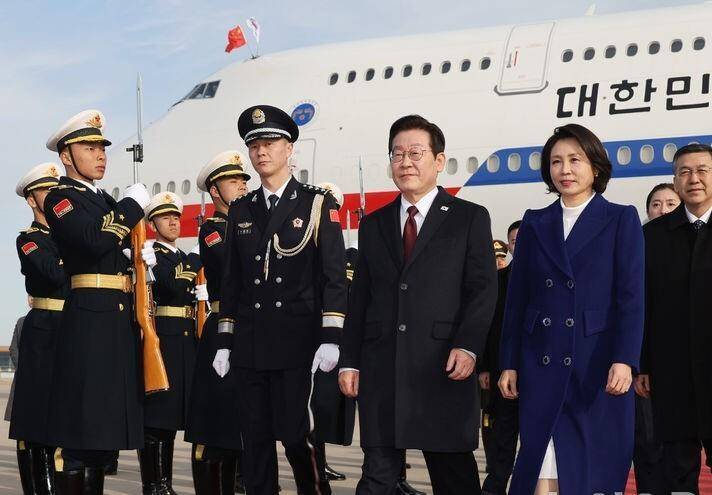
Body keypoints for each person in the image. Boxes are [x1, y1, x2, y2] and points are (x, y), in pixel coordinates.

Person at [339, 114, 498, 495]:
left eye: (415, 153)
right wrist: (350, 360)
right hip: (383, 370)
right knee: (377, 477)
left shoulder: (468, 218)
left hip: (442, 367)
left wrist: (469, 345)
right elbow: (360, 298)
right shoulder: (374, 224)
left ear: (439, 161)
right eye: (397, 154)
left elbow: (482, 290)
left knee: (454, 477)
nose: (405, 162)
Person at [498, 123, 645, 495]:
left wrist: (625, 359)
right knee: (540, 466)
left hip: (595, 363)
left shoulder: (621, 218)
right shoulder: (535, 222)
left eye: (575, 160)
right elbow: (516, 300)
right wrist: (509, 362)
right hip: (541, 361)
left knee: (589, 471)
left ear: (595, 166)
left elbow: (631, 298)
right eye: (556, 161)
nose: (565, 170)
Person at [212, 105, 347, 495]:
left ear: (289, 149)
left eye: (270, 143)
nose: (261, 152)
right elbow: (232, 284)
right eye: (254, 145)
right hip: (251, 344)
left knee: (296, 437)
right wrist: (225, 342)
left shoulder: (316, 203)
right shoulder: (241, 209)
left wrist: (331, 337)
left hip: (297, 343)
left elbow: (333, 277)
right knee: (254, 442)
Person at [43, 109, 153, 494]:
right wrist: (131, 207)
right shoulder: (61, 198)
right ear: (66, 156)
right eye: (89, 148)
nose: (101, 155)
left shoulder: (103, 199)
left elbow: (110, 245)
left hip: (117, 322)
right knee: (80, 434)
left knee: (102, 438)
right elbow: (91, 240)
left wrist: (139, 259)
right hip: (89, 320)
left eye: (102, 148)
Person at [638, 143, 712, 494]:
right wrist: (642, 364)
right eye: (684, 172)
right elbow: (643, 305)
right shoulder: (653, 236)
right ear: (675, 180)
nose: (693, 179)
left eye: (702, 170)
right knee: (678, 469)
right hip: (672, 373)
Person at [186, 150, 251, 495]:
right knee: (216, 422)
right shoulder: (213, 230)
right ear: (214, 190)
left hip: (250, 328)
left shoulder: (248, 226)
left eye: (243, 180)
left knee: (242, 418)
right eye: (233, 180)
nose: (241, 185)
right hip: (223, 325)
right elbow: (232, 263)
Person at [137, 192, 205, 494]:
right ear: (153, 224)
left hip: (187, 341)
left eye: (176, 217)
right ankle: (155, 485)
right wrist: (197, 256)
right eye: (166, 218)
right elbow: (173, 285)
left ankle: (165, 484)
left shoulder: (179, 257)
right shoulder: (153, 255)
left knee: (176, 417)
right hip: (165, 339)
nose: (174, 222)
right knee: (158, 420)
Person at [10, 163, 68, 495]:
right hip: (45, 329)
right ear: (32, 200)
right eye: (47, 191)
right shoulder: (29, 240)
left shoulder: (69, 237)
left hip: (74, 326)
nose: (54, 197)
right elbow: (52, 272)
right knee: (36, 417)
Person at [630, 184, 680, 494]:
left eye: (670, 203)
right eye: (656, 204)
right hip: (646, 361)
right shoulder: (638, 246)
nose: (662, 210)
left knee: (680, 448)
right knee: (647, 441)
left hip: (683, 362)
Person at [308, 182, 354, 489]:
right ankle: (315, 474)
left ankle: (320, 467)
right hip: (312, 333)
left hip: (335, 336)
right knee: (313, 407)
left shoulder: (344, 255)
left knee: (324, 409)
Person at [479, 221, 521, 495]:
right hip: (502, 370)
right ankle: (493, 488)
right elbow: (486, 326)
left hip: (537, 373)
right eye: (515, 241)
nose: (521, 244)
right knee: (503, 436)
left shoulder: (548, 278)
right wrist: (483, 367)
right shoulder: (499, 280)